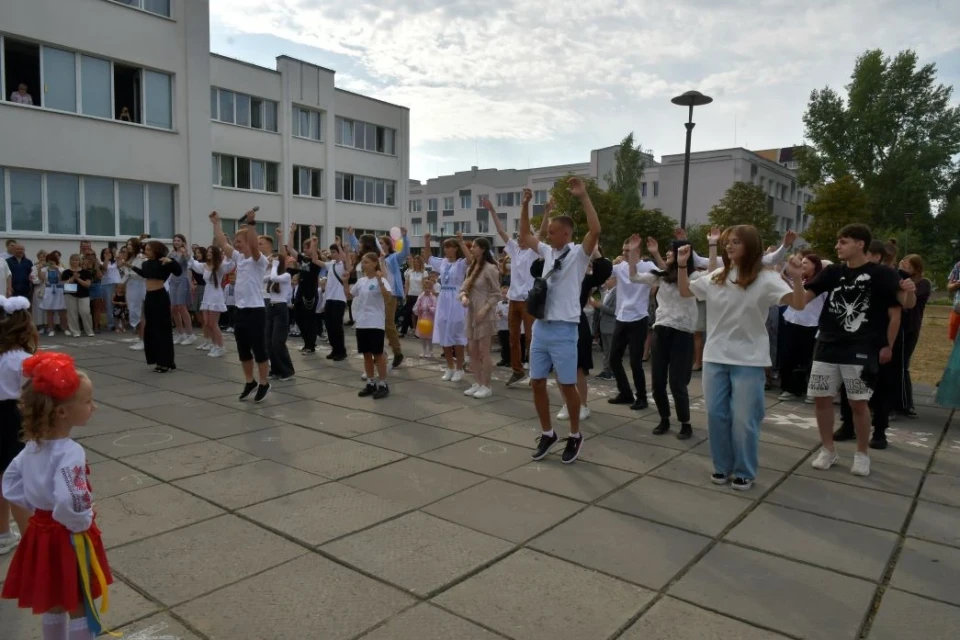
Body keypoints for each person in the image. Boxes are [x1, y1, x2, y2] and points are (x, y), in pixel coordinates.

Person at [677, 226, 807, 490]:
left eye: (735, 242)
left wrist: (797, 279)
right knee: (716, 414)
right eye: (727, 242)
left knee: (744, 419)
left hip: (749, 359)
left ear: (750, 245)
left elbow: (798, 304)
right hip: (715, 356)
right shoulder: (718, 275)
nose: (729, 246)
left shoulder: (766, 278)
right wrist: (681, 266)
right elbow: (686, 292)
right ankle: (721, 466)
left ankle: (744, 470)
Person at [1, 351, 113, 640]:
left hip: (40, 531)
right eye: (87, 402)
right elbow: (70, 499)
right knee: (77, 601)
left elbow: (11, 481)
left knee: (52, 600)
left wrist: (34, 503)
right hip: (67, 536)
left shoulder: (31, 447)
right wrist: (81, 522)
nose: (94, 407)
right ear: (62, 412)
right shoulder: (70, 452)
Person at [804, 224, 915, 476]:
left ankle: (862, 453)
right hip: (827, 345)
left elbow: (904, 303)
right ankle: (828, 449)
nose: (837, 247)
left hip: (861, 346)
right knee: (821, 399)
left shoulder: (882, 274)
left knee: (858, 402)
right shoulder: (832, 271)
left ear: (860, 244)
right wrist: (794, 282)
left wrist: (909, 294)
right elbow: (802, 300)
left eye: (843, 242)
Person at [525, 180, 601, 465]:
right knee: (536, 382)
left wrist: (583, 197)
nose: (548, 234)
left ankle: (574, 435)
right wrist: (524, 205)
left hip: (565, 329)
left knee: (567, 386)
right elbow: (524, 235)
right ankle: (548, 433)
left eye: (553, 231)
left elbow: (595, 230)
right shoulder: (547, 252)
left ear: (566, 234)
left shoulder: (579, 256)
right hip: (542, 327)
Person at [628, 231, 718, 438]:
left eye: (672, 252)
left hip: (683, 333)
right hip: (662, 329)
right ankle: (664, 419)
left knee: (677, 382)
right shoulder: (660, 276)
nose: (668, 254)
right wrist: (633, 253)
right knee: (658, 381)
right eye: (668, 252)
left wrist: (713, 244)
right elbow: (634, 276)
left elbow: (712, 272)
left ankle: (685, 423)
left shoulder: (693, 277)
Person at [211, 210, 271, 402]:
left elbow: (254, 246)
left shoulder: (258, 260)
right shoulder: (239, 259)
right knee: (243, 350)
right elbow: (222, 243)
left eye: (239, 241)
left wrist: (251, 224)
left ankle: (264, 382)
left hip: (255, 310)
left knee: (259, 349)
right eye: (235, 241)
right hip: (240, 310)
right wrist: (216, 223)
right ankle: (249, 381)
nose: (235, 245)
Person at [487, 197, 541, 387]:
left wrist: (548, 211)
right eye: (518, 236)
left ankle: (535, 372)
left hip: (527, 299)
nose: (519, 238)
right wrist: (492, 211)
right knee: (513, 338)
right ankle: (517, 371)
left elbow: (541, 232)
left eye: (522, 235)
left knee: (530, 338)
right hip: (513, 299)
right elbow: (501, 231)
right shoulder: (515, 250)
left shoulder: (534, 251)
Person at [556, 245, 613, 422]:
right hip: (557, 322)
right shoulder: (558, 274)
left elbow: (603, 272)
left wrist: (595, 251)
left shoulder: (584, 279)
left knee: (578, 367)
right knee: (559, 367)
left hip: (576, 322)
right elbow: (536, 270)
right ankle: (566, 403)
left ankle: (582, 405)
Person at [0, 296, 36, 556]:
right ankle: (30, 539)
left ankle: (2, 533)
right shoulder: (23, 360)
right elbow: (32, 395)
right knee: (17, 479)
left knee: (1, 476)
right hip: (14, 417)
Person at [607, 235, 661, 410]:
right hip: (621, 317)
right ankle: (625, 393)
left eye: (628, 251)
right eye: (623, 251)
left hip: (638, 318)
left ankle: (642, 397)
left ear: (637, 251)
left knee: (635, 361)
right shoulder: (620, 266)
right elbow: (603, 271)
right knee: (614, 358)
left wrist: (656, 253)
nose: (624, 254)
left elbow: (662, 274)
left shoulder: (647, 266)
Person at [424, 232, 471, 382]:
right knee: (444, 331)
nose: (446, 250)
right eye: (445, 247)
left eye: (449, 247)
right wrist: (427, 242)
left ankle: (459, 368)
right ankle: (450, 366)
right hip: (443, 298)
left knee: (457, 333)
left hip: (456, 298)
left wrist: (462, 242)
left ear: (455, 249)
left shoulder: (461, 263)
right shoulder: (442, 262)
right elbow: (429, 258)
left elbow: (471, 259)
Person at [778, 253, 826, 401]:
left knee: (808, 359)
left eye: (806, 263)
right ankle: (790, 388)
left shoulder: (821, 282)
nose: (803, 265)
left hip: (811, 324)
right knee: (789, 356)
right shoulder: (799, 279)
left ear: (815, 266)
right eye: (802, 262)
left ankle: (809, 390)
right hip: (793, 321)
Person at [129, 241, 182, 372]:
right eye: (145, 249)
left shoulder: (163, 262)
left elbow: (178, 271)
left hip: (160, 297)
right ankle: (159, 360)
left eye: (148, 249)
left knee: (162, 329)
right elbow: (145, 274)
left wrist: (171, 261)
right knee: (151, 329)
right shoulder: (146, 263)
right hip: (149, 297)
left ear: (156, 250)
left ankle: (166, 361)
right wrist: (129, 266)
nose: (145, 251)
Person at [460, 238, 502, 399]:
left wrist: (484, 310)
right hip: (471, 312)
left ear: (483, 249)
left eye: (475, 246)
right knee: (472, 350)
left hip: (484, 313)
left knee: (484, 351)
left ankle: (487, 385)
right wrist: (464, 297)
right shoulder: (471, 267)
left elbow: (497, 294)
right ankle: (477, 382)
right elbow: (464, 288)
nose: (472, 248)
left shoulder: (491, 268)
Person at [350, 253, 392, 399]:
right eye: (362, 262)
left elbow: (387, 298)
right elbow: (350, 295)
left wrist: (380, 280)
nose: (363, 265)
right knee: (366, 354)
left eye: (366, 262)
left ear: (375, 264)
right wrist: (344, 282)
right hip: (362, 322)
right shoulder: (361, 281)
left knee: (378, 355)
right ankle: (370, 382)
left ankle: (383, 384)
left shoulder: (382, 280)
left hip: (375, 323)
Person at [189, 245, 233, 357]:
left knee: (213, 324)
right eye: (208, 251)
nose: (208, 253)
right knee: (208, 323)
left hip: (216, 295)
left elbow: (231, 263)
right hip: (207, 295)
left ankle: (221, 347)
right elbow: (194, 264)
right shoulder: (205, 265)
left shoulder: (221, 266)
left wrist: (227, 247)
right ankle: (214, 345)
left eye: (211, 252)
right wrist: (186, 254)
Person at [285, 224, 322, 354]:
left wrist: (313, 234)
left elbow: (314, 247)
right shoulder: (304, 260)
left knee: (309, 320)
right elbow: (290, 248)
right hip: (300, 292)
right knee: (299, 318)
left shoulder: (316, 261)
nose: (305, 250)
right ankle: (307, 342)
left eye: (307, 247)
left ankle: (310, 345)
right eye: (304, 248)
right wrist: (291, 232)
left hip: (310, 294)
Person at [264, 232, 295, 381]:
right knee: (268, 342)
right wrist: (268, 265)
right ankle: (276, 370)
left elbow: (275, 277)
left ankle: (288, 371)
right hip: (271, 308)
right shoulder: (272, 275)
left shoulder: (286, 276)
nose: (271, 262)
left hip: (281, 309)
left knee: (278, 342)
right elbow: (260, 278)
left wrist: (275, 264)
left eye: (274, 261)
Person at [168, 235, 196, 346]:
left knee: (181, 307)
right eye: (174, 240)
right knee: (173, 308)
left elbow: (189, 262)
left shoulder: (186, 253)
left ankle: (190, 334)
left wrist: (184, 252)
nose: (176, 242)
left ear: (183, 242)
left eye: (178, 240)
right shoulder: (171, 254)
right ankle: (181, 334)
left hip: (182, 280)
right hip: (173, 281)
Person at [123, 238, 147, 351]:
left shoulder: (140, 257)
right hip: (131, 286)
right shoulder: (130, 258)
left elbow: (142, 274)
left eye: (130, 245)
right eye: (127, 245)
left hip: (139, 286)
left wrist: (128, 268)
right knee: (133, 310)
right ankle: (140, 338)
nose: (128, 247)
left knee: (140, 312)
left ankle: (143, 340)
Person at [591, 277, 617, 380]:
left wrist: (599, 305)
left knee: (611, 350)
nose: (606, 281)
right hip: (603, 326)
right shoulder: (606, 292)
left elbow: (614, 311)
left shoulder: (617, 293)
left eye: (609, 279)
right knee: (606, 350)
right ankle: (606, 369)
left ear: (615, 280)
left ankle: (612, 371)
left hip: (611, 326)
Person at [62, 254, 93, 338]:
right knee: (72, 313)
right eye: (73, 260)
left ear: (80, 261)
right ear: (70, 261)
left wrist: (78, 279)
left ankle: (89, 330)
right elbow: (64, 285)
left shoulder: (86, 272)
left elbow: (87, 284)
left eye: (77, 260)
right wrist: (73, 278)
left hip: (83, 294)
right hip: (70, 294)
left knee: (85, 312)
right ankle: (75, 331)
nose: (75, 261)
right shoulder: (66, 272)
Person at [414, 272, 438, 359]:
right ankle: (424, 350)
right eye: (426, 288)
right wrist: (418, 309)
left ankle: (430, 351)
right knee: (423, 336)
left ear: (431, 289)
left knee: (429, 337)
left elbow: (436, 308)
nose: (427, 290)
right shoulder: (420, 296)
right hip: (422, 318)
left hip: (430, 319)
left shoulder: (433, 297)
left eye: (429, 288)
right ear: (423, 288)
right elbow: (416, 307)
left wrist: (430, 309)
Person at [402, 255, 426, 338]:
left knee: (418, 314)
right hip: (411, 294)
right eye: (414, 262)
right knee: (408, 312)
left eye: (417, 262)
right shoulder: (410, 272)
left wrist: (423, 295)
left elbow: (424, 285)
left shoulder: (424, 273)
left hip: (419, 295)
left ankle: (418, 331)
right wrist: (405, 294)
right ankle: (403, 331)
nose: (416, 264)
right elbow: (407, 284)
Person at [99, 248, 121, 332]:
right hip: (107, 284)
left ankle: (119, 323)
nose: (108, 254)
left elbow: (119, 265)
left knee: (118, 303)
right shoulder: (101, 262)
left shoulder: (115, 262)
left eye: (109, 252)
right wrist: (106, 259)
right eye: (105, 253)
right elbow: (104, 268)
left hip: (117, 283)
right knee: (109, 304)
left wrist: (115, 255)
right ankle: (110, 324)